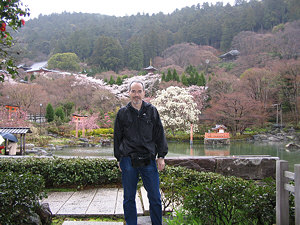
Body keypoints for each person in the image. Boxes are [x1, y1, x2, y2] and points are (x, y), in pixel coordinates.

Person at [114, 80, 168, 225]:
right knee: (129, 197)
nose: (136, 94)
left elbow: (159, 134)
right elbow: (117, 137)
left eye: (139, 91)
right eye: (133, 91)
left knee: (155, 197)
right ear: (129, 93)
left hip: (148, 159)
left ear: (144, 93)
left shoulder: (152, 111)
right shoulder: (122, 113)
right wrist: (119, 158)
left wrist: (161, 156)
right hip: (128, 159)